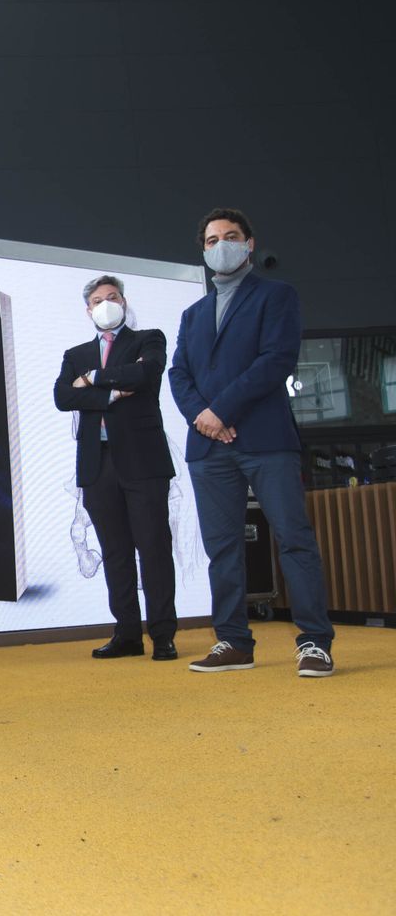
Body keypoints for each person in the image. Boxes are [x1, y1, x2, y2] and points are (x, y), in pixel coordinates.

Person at [169, 207, 335, 677]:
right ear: (203, 250)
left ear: (249, 244)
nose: (221, 245)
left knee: (293, 539)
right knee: (222, 548)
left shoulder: (276, 295)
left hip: (265, 441)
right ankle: (234, 642)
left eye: (230, 236)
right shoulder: (193, 314)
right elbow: (179, 374)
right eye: (212, 240)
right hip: (208, 448)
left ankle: (314, 642)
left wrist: (221, 411)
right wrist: (204, 418)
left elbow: (275, 360)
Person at [53, 275, 179, 661]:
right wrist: (113, 392)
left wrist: (93, 380)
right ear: (87, 309)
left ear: (124, 302)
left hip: (143, 461)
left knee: (153, 549)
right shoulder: (75, 354)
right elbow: (62, 397)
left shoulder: (148, 340)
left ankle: (163, 635)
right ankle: (127, 634)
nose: (105, 304)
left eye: (112, 297)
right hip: (98, 463)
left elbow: (145, 374)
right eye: (97, 300)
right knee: (115, 551)